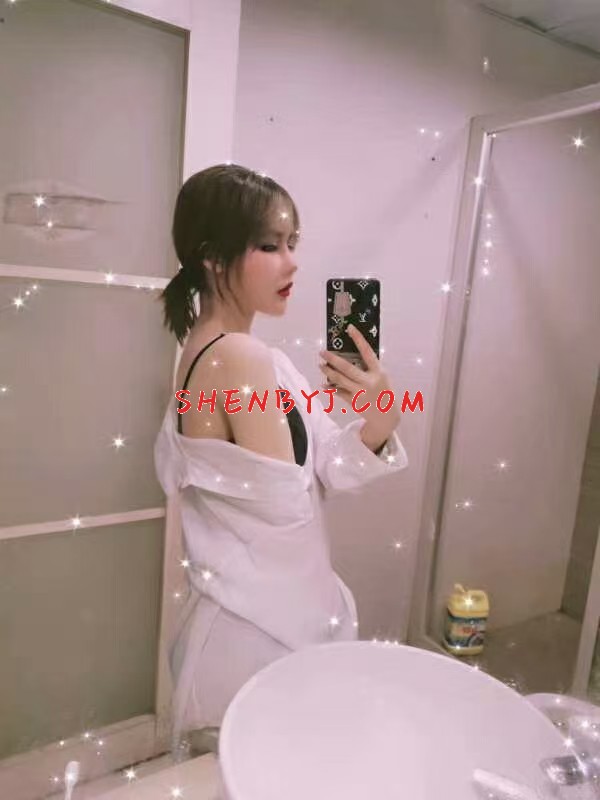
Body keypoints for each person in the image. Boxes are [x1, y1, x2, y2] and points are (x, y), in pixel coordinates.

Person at [154, 164, 408, 757]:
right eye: (269, 246)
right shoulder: (237, 357)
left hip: (256, 623)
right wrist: (331, 632)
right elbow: (287, 519)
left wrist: (380, 416)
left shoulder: (254, 359)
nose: (291, 263)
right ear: (212, 256)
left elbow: (327, 467)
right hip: (257, 637)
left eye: (293, 242)